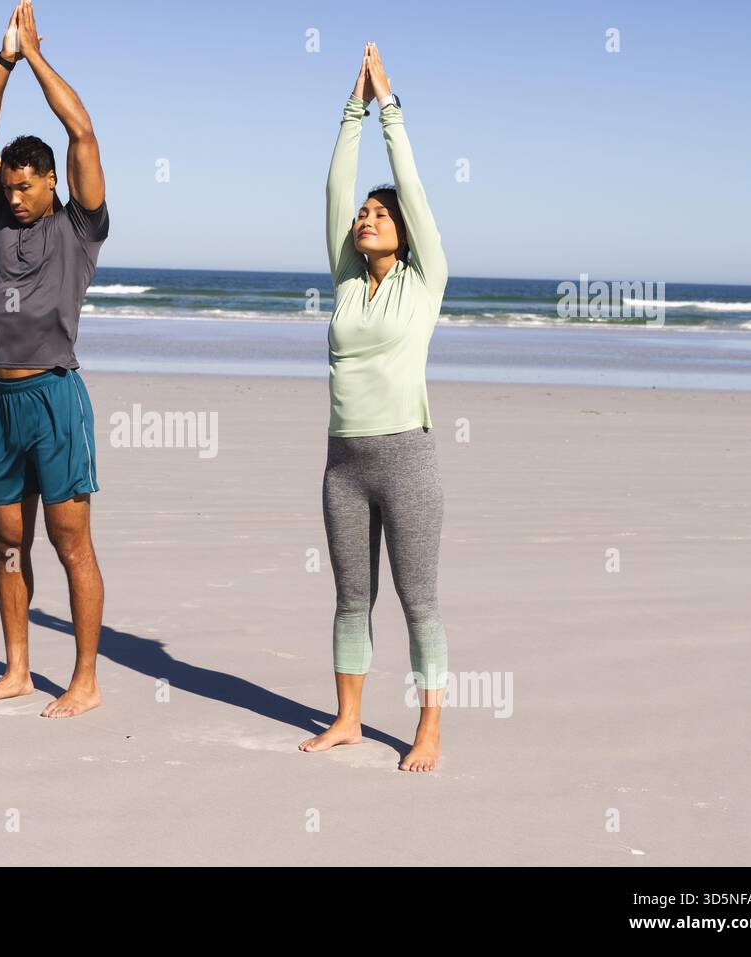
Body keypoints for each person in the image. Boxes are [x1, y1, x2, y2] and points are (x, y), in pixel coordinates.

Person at [299, 43, 451, 770]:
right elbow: (333, 189)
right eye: (363, 212)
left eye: (377, 212)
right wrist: (349, 110)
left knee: (417, 599)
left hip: (407, 460)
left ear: (403, 231)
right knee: (350, 597)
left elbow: (413, 190)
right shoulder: (346, 283)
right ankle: (350, 718)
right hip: (344, 463)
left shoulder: (426, 282)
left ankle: (428, 729)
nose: (364, 216)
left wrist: (389, 107)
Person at [0, 0, 108, 718]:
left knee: (69, 540)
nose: (13, 197)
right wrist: (3, 59)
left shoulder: (79, 227)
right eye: (8, 186)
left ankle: (85, 678)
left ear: (50, 184)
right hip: (2, 401)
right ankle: (18, 669)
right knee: (8, 540)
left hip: (54, 396)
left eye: (26, 186)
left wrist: (38, 56)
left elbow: (81, 130)